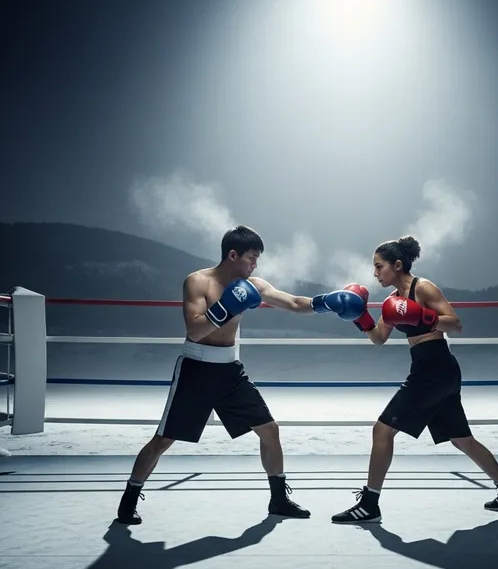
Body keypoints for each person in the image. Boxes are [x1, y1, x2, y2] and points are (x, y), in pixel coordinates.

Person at [116, 225, 366, 525]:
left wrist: (326, 302)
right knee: (164, 439)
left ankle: (278, 500)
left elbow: (294, 303)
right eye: (251, 257)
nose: (255, 264)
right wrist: (225, 307)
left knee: (269, 430)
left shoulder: (255, 285)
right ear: (232, 255)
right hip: (196, 370)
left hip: (231, 372)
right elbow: (194, 330)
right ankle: (128, 500)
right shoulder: (197, 281)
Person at [331, 235, 498, 524]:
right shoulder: (391, 302)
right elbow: (379, 339)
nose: (375, 273)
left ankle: (369, 504)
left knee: (382, 431)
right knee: (461, 439)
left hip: (435, 367)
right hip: (431, 368)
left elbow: (455, 323)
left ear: (397, 265)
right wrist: (360, 317)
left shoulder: (422, 287)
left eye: (379, 266)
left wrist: (423, 317)